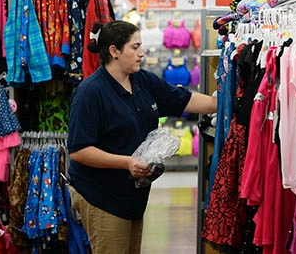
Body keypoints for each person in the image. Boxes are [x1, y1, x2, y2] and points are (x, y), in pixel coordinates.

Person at [67, 20, 217, 254]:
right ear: (114, 51)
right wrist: (126, 162)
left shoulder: (142, 81)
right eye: (135, 47)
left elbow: (184, 100)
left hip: (132, 195)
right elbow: (79, 150)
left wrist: (224, 102)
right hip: (101, 194)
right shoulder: (90, 93)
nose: (141, 53)